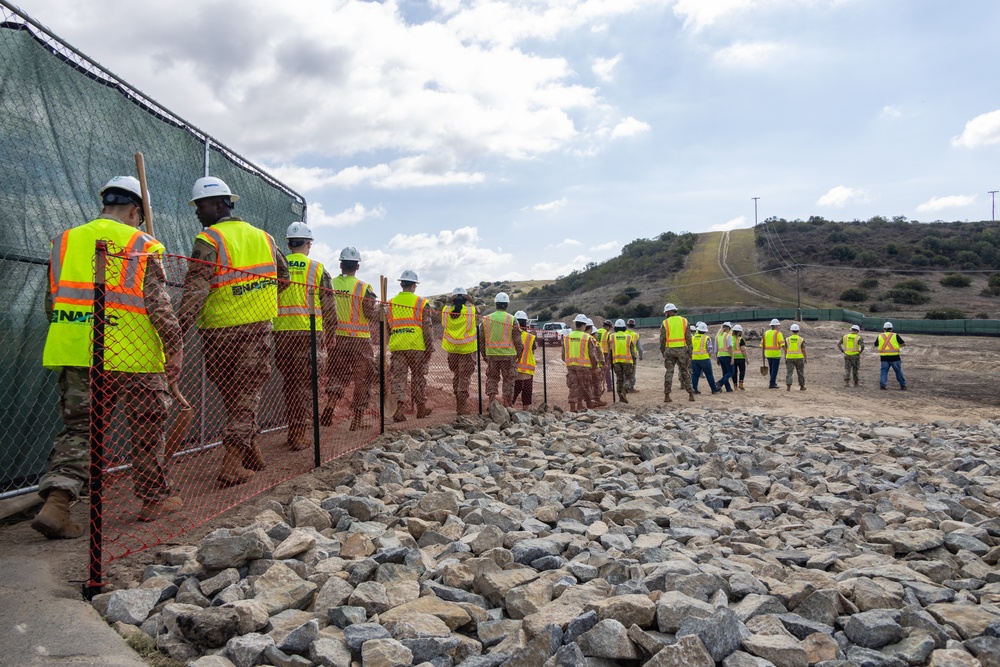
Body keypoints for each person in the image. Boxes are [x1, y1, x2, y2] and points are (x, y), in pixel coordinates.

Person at [33, 176, 184, 537]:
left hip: (78, 351)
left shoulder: (65, 241)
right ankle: (152, 499)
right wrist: (175, 348)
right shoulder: (143, 243)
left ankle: (57, 504)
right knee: (147, 430)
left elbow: (51, 303)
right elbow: (159, 307)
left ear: (105, 204)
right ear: (136, 211)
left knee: (81, 431)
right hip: (135, 356)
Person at [178, 176, 288, 487]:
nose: (197, 212)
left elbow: (196, 290)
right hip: (255, 331)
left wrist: (177, 331)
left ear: (219, 205)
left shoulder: (209, 240)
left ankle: (233, 461)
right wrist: (258, 298)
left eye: (201, 206)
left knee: (237, 398)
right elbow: (283, 277)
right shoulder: (265, 238)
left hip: (218, 333)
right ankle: (244, 452)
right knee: (244, 398)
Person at [273, 222, 337, 450]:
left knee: (290, 384)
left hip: (280, 333)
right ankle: (299, 434)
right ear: (309, 244)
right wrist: (331, 333)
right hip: (308, 333)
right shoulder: (317, 269)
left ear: (289, 243)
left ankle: (293, 429)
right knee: (306, 386)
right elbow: (329, 305)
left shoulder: (276, 266)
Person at [320, 247, 380, 431]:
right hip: (359, 339)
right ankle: (357, 419)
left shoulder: (330, 284)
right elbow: (370, 314)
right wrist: (380, 311)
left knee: (337, 374)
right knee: (363, 379)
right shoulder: (363, 287)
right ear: (358, 267)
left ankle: (330, 404)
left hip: (336, 338)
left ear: (340, 264)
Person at [387, 269, 434, 422]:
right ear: (414, 285)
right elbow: (427, 328)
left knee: (399, 379)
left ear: (401, 284)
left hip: (398, 345)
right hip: (417, 346)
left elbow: (388, 326)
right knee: (418, 378)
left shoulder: (391, 302)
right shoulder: (421, 303)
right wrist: (429, 348)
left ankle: (399, 411)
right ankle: (421, 408)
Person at [478, 292, 523, 406]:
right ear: (507, 304)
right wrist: (519, 354)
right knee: (508, 380)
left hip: (492, 355)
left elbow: (481, 340)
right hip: (508, 356)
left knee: (492, 378)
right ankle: (507, 404)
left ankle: (492, 402)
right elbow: (518, 340)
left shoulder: (486, 319)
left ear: (496, 304)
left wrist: (484, 354)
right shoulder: (512, 319)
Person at [441, 287, 478, 414]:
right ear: (465, 299)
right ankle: (462, 406)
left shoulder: (445, 310)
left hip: (452, 349)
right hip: (467, 349)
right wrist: (472, 300)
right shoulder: (471, 311)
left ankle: (459, 403)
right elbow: (482, 305)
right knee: (464, 377)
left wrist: (449, 300)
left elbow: (439, 303)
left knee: (457, 376)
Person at [562, 314, 601, 410]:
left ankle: (573, 407)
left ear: (576, 324)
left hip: (570, 366)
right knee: (585, 386)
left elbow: (563, 355)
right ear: (583, 326)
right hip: (584, 367)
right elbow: (592, 355)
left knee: (573, 386)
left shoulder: (567, 337)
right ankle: (587, 404)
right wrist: (595, 367)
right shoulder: (587, 338)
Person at [658, 303, 694, 402]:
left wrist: (662, 351)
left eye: (666, 312)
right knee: (685, 371)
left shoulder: (665, 323)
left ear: (669, 312)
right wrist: (690, 353)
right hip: (682, 350)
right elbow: (689, 339)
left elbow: (662, 339)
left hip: (669, 351)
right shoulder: (684, 321)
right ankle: (691, 394)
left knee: (669, 372)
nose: (665, 314)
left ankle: (667, 395)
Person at [512, 310, 537, 408]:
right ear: (525, 323)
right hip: (528, 371)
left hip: (515, 369)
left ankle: (510, 411)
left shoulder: (512, 335)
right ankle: (526, 413)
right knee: (526, 396)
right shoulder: (531, 337)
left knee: (512, 395)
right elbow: (533, 352)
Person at [609, 319, 637, 403]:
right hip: (627, 361)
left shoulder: (612, 336)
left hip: (616, 361)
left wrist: (610, 362)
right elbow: (632, 351)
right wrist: (634, 361)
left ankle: (619, 396)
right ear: (624, 327)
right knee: (629, 378)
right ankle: (624, 392)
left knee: (619, 379)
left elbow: (610, 350)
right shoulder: (628, 337)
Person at [690, 322, 721, 394]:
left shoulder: (693, 338)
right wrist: (708, 355)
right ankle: (714, 389)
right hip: (704, 359)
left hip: (694, 359)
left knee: (695, 375)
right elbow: (710, 349)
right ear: (705, 331)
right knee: (709, 375)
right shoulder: (706, 338)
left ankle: (694, 389)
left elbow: (690, 348)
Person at [877, 322, 907, 390]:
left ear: (884, 328)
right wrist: (897, 346)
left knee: (884, 371)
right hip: (895, 357)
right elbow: (903, 343)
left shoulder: (880, 336)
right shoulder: (895, 335)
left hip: (884, 357)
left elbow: (876, 344)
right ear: (892, 328)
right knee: (898, 371)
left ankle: (882, 385)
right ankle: (903, 385)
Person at [585, 319, 608, 407]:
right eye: (596, 333)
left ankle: (591, 400)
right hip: (594, 367)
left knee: (588, 384)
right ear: (593, 333)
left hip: (586, 366)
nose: (597, 335)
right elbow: (598, 356)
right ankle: (596, 399)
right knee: (596, 384)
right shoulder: (594, 343)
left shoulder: (585, 340)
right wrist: (603, 364)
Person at [761, 318, 785, 389]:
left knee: (771, 369)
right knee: (774, 369)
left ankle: (773, 381)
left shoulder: (766, 333)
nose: (779, 327)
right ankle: (772, 383)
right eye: (778, 326)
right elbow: (782, 344)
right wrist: (786, 352)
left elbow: (763, 345)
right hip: (776, 354)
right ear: (776, 326)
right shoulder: (778, 333)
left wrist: (763, 354)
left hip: (768, 354)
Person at [785, 323, 807, 391]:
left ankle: (788, 386)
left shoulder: (787, 339)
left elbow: (785, 349)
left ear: (791, 330)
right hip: (799, 358)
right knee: (800, 372)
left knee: (789, 372)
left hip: (789, 358)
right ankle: (802, 386)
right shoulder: (801, 339)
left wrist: (785, 357)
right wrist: (805, 358)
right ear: (798, 330)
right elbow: (803, 349)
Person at [594, 319, 613, 392]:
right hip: (604, 353)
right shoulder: (608, 334)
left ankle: (597, 387)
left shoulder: (597, 331)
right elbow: (610, 346)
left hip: (595, 353)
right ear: (608, 327)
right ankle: (609, 387)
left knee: (597, 369)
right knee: (606, 370)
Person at [715, 322, 735, 392]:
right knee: (731, 372)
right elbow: (729, 347)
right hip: (727, 356)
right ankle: (719, 383)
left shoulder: (718, 336)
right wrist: (732, 357)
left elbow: (716, 348)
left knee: (725, 372)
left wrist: (717, 357)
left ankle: (728, 388)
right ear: (729, 328)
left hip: (720, 356)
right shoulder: (728, 336)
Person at [625, 318, 642, 393]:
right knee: (632, 372)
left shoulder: (623, 334)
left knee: (624, 372)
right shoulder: (636, 335)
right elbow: (640, 348)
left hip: (624, 355)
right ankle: (631, 387)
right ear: (634, 326)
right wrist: (641, 356)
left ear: (627, 325)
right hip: (633, 356)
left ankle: (624, 387)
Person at [731, 324, 747, 390]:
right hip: (741, 358)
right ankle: (741, 383)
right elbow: (743, 349)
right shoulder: (741, 339)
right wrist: (747, 358)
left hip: (733, 358)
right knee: (742, 371)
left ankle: (735, 385)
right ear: (740, 332)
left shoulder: (730, 338)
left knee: (734, 372)